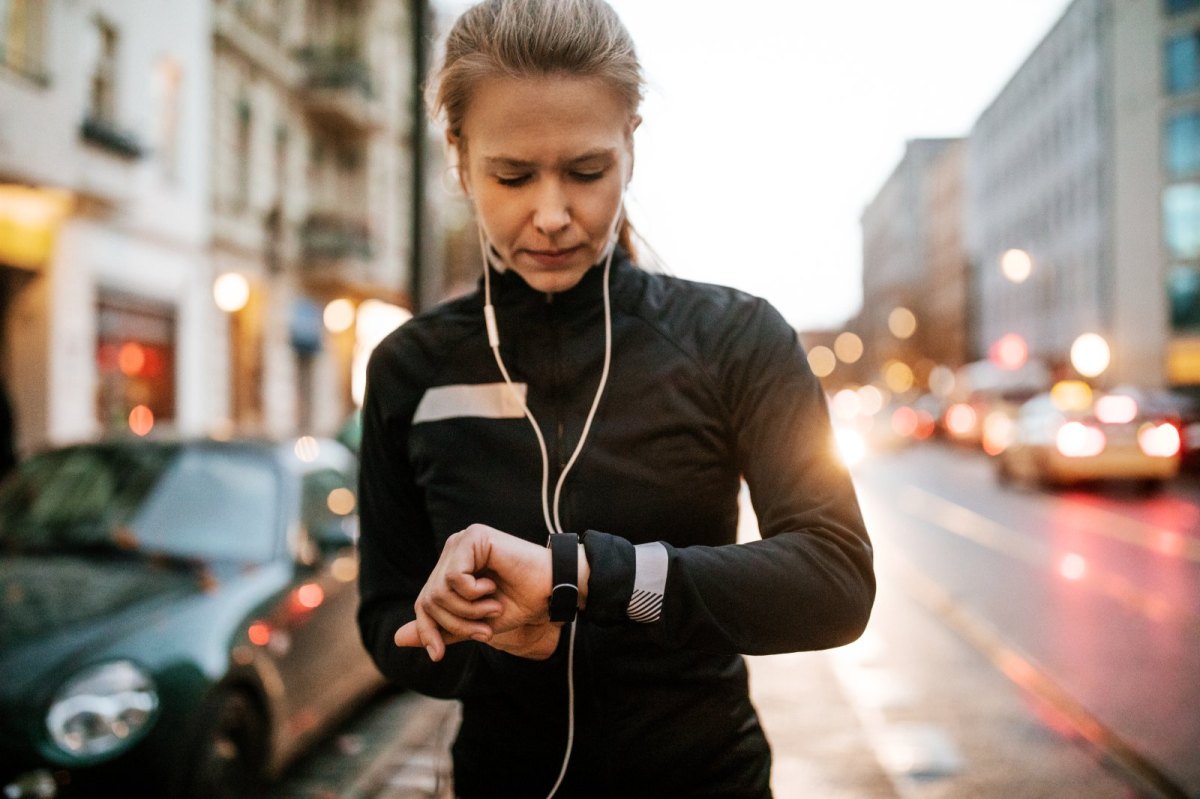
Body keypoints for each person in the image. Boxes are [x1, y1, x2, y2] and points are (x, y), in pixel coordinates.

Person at [355, 1, 876, 796]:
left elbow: (834, 580)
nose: (555, 214)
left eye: (587, 171)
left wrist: (583, 576)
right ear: (460, 158)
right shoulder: (408, 369)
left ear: (632, 141)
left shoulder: (734, 339)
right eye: (513, 175)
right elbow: (385, 618)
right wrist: (465, 628)